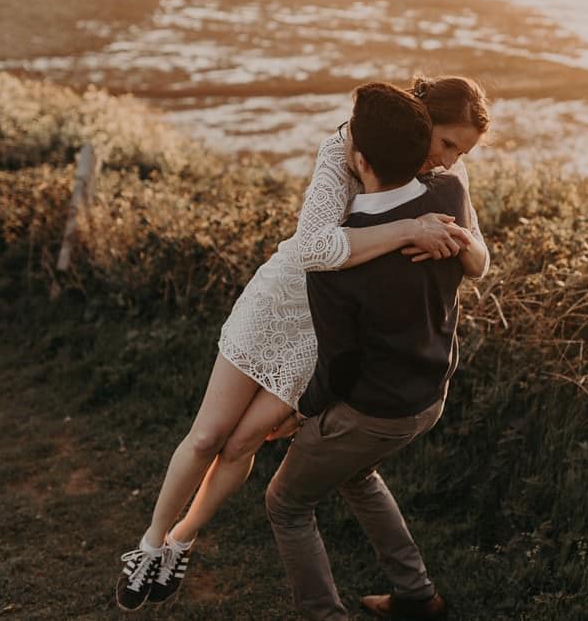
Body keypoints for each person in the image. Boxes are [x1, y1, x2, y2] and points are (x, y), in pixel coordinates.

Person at [114, 75, 491, 612]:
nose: (449, 160)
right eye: (447, 143)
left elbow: (477, 257)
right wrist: (411, 229)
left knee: (243, 443)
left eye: (461, 152)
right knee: (207, 436)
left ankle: (182, 541)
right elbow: (315, 248)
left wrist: (460, 242)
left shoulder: (447, 177)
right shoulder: (345, 149)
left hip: (326, 325)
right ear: (421, 121)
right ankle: (150, 545)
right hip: (282, 303)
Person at [265, 81, 473, 621]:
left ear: (358, 160)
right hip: (431, 393)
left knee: (287, 504)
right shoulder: (448, 198)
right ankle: (417, 596)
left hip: (376, 410)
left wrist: (302, 411)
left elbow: (340, 363)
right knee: (356, 474)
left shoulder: (340, 255)